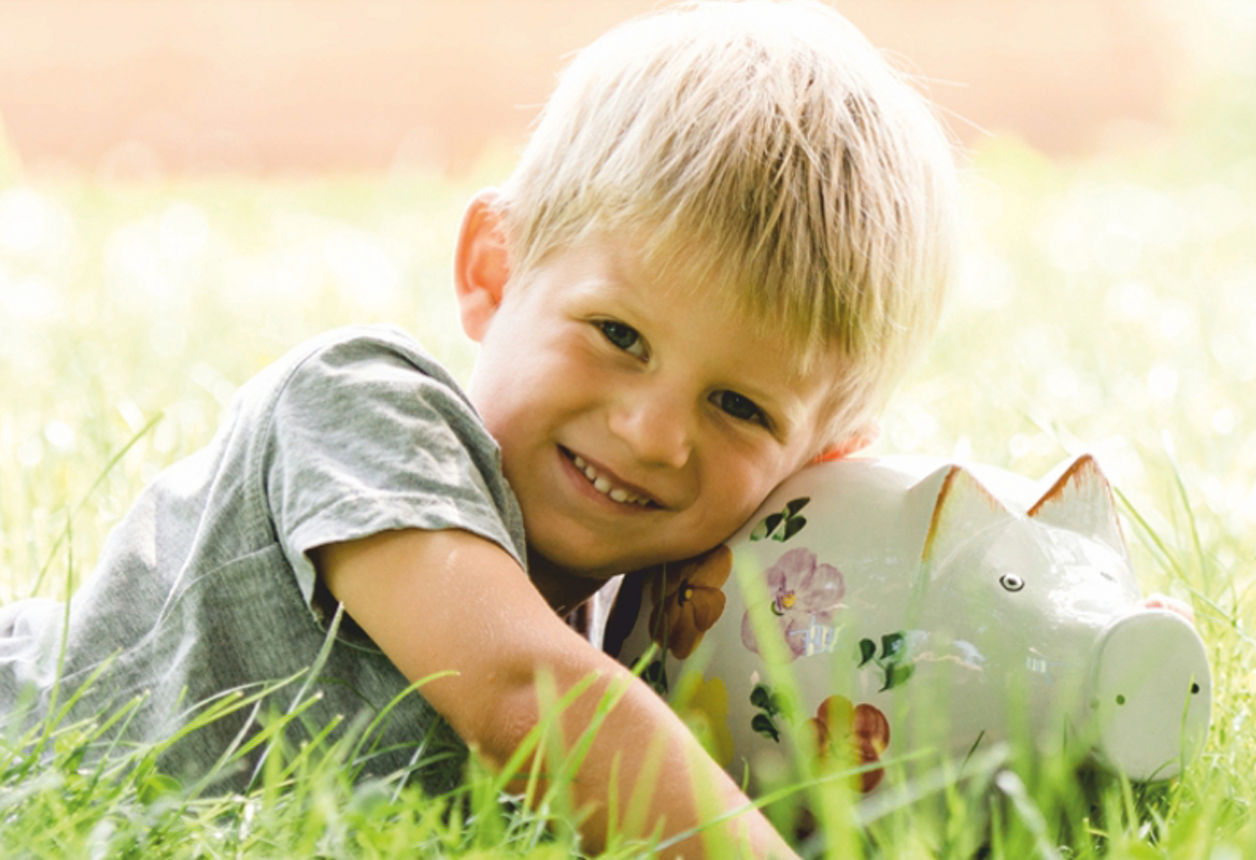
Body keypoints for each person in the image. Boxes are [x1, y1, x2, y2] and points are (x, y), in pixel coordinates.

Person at [0, 1, 958, 855]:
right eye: (618, 334)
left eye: (739, 406)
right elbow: (523, 694)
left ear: (820, 462)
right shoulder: (355, 406)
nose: (652, 433)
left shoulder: (658, 626)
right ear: (494, 270)